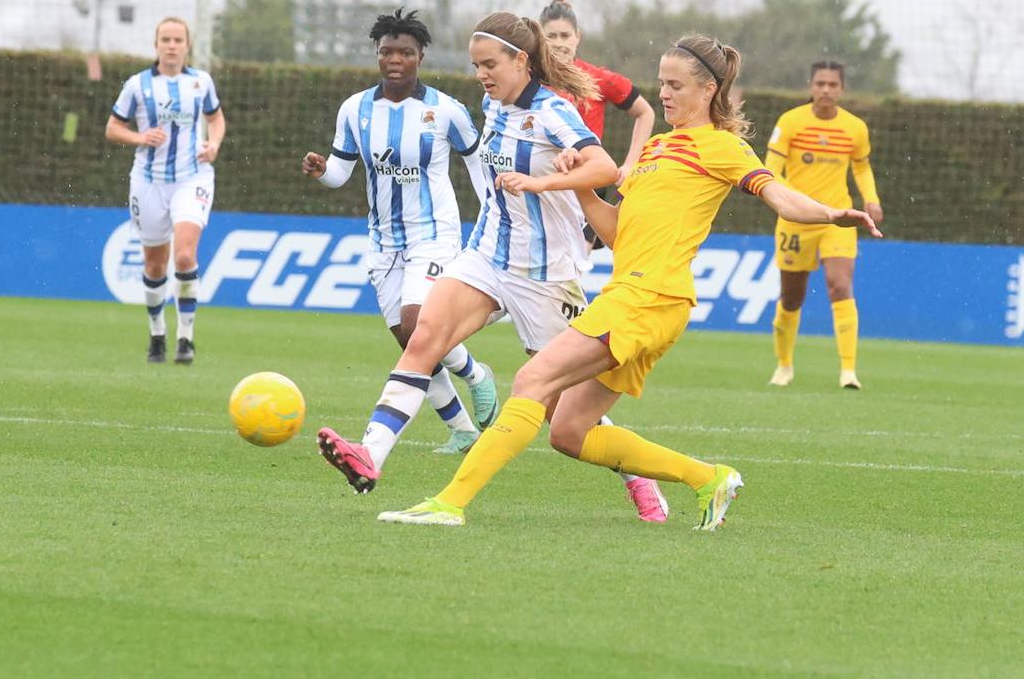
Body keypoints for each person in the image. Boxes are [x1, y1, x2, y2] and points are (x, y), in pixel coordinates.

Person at [376, 35, 881, 529]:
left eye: (676, 85)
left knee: (533, 381)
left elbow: (781, 197)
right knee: (570, 431)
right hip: (635, 293)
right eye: (661, 83)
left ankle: (448, 503)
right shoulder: (658, 147)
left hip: (651, 296)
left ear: (708, 91)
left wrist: (831, 213)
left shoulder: (723, 147)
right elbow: (619, 234)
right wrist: (585, 187)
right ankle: (709, 478)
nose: (664, 93)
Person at [316, 11, 674, 522]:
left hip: (544, 274)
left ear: (521, 62)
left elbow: (603, 167)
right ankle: (369, 453)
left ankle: (639, 478)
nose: (481, 75)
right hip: (485, 255)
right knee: (424, 337)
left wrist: (542, 183)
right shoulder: (492, 103)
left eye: (489, 65)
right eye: (476, 65)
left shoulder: (553, 111)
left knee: (561, 409)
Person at [301, 9, 498, 456]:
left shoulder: (446, 110)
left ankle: (475, 374)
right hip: (383, 241)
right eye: (387, 51)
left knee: (419, 324)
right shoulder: (355, 109)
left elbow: (477, 167)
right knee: (409, 341)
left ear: (420, 56)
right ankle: (463, 429)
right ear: (377, 55)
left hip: (434, 234)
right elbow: (340, 172)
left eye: (405, 52)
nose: (395, 59)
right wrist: (321, 171)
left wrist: (493, 218)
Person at [105, 17, 226, 365]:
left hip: (193, 177)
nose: (172, 45)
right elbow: (113, 128)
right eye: (165, 39)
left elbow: (216, 118)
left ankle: (185, 337)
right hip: (148, 181)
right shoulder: (137, 85)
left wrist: (213, 144)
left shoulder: (201, 82)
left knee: (185, 256)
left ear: (187, 45)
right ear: (156, 44)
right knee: (155, 264)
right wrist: (139, 138)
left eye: (178, 40)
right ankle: (157, 332)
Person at [764, 61, 884, 390]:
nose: (826, 90)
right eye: (820, 84)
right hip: (797, 217)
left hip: (839, 217)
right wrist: (792, 199)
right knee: (791, 297)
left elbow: (861, 167)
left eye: (833, 84)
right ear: (810, 85)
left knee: (839, 285)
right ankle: (784, 365)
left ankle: (848, 371)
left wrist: (870, 199)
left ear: (842, 89)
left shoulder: (855, 127)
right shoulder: (790, 122)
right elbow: (770, 168)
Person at [539, 0, 655, 185]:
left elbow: (645, 112)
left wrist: (630, 164)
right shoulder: (529, 81)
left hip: (588, 186)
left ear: (578, 36)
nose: (559, 43)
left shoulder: (598, 79)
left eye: (565, 35)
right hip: (544, 184)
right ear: (540, 39)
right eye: (551, 36)